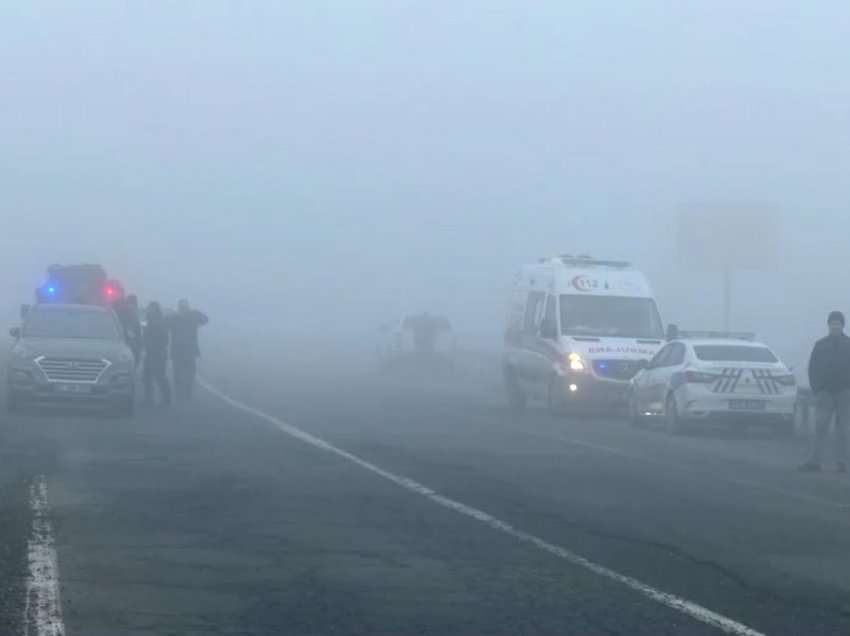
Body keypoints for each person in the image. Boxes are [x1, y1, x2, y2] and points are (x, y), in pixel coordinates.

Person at [800, 311, 850, 473]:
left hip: (844, 392)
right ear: (829, 325)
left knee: (843, 429)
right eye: (833, 323)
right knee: (820, 426)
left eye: (838, 323)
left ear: (843, 325)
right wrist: (817, 388)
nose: (835, 326)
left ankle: (842, 462)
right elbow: (813, 367)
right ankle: (815, 460)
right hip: (825, 392)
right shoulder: (820, 345)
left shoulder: (848, 344)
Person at [169, 299, 209, 401]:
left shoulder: (190, 316)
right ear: (179, 308)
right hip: (181, 349)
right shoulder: (175, 317)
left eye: (185, 307)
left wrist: (194, 315)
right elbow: (205, 319)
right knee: (180, 372)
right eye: (182, 307)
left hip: (187, 349)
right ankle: (181, 393)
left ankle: (185, 392)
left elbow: (205, 319)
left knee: (189, 372)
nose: (183, 309)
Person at [142, 302, 171, 406]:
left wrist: (153, 344)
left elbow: (165, 339)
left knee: (159, 376)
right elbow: (146, 335)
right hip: (150, 353)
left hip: (159, 353)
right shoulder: (148, 320)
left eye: (152, 308)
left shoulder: (160, 322)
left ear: (156, 310)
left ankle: (167, 399)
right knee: (146, 376)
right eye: (149, 308)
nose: (150, 310)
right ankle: (149, 399)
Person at [113, 294, 142, 366]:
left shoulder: (131, 313)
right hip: (126, 342)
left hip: (130, 341)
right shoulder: (126, 313)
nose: (133, 306)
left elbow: (136, 329)